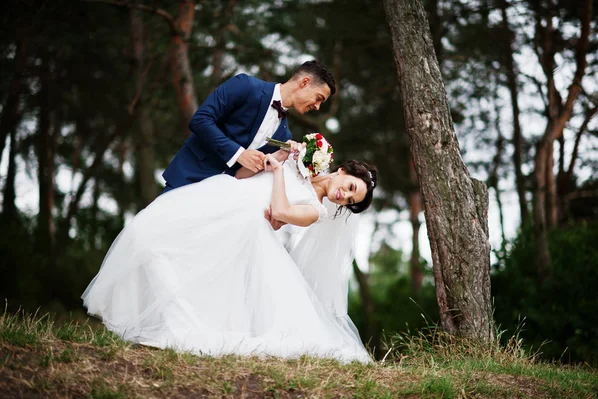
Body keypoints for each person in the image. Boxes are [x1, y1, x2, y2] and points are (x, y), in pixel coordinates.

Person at [82, 147, 378, 363]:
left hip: (242, 226)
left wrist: (277, 173)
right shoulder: (304, 161)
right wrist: (277, 158)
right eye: (351, 187)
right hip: (220, 196)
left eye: (351, 200)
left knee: (197, 273)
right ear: (342, 171)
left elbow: (281, 211)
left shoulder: (315, 210)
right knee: (149, 234)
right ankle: (135, 309)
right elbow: (242, 173)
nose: (344, 195)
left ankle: (173, 324)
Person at [162, 60, 336, 192]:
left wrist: (281, 156)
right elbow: (200, 120)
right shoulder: (245, 85)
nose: (317, 106)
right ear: (304, 82)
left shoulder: (284, 136)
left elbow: (246, 174)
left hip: (221, 200)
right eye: (319, 98)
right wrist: (239, 154)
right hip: (188, 179)